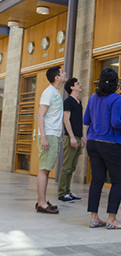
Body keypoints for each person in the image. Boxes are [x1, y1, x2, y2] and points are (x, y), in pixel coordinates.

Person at [83, 68, 121, 229]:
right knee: (118, 180)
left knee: (97, 179)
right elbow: (115, 123)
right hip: (110, 143)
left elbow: (86, 120)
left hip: (93, 142)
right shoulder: (116, 98)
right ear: (115, 83)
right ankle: (112, 219)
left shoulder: (92, 98)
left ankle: (94, 217)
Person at [36, 66, 67, 214]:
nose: (65, 73)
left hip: (53, 135)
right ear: (57, 77)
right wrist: (43, 137)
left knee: (47, 169)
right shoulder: (48, 92)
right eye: (62, 72)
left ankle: (42, 200)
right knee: (44, 169)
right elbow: (40, 115)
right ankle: (41, 203)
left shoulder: (56, 92)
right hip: (48, 135)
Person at [58, 78, 86, 202]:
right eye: (77, 84)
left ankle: (68, 191)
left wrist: (82, 137)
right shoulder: (68, 101)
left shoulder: (79, 102)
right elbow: (66, 119)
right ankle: (62, 192)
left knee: (73, 166)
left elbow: (79, 122)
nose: (80, 85)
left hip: (78, 137)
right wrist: (72, 137)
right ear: (71, 88)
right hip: (71, 137)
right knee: (67, 166)